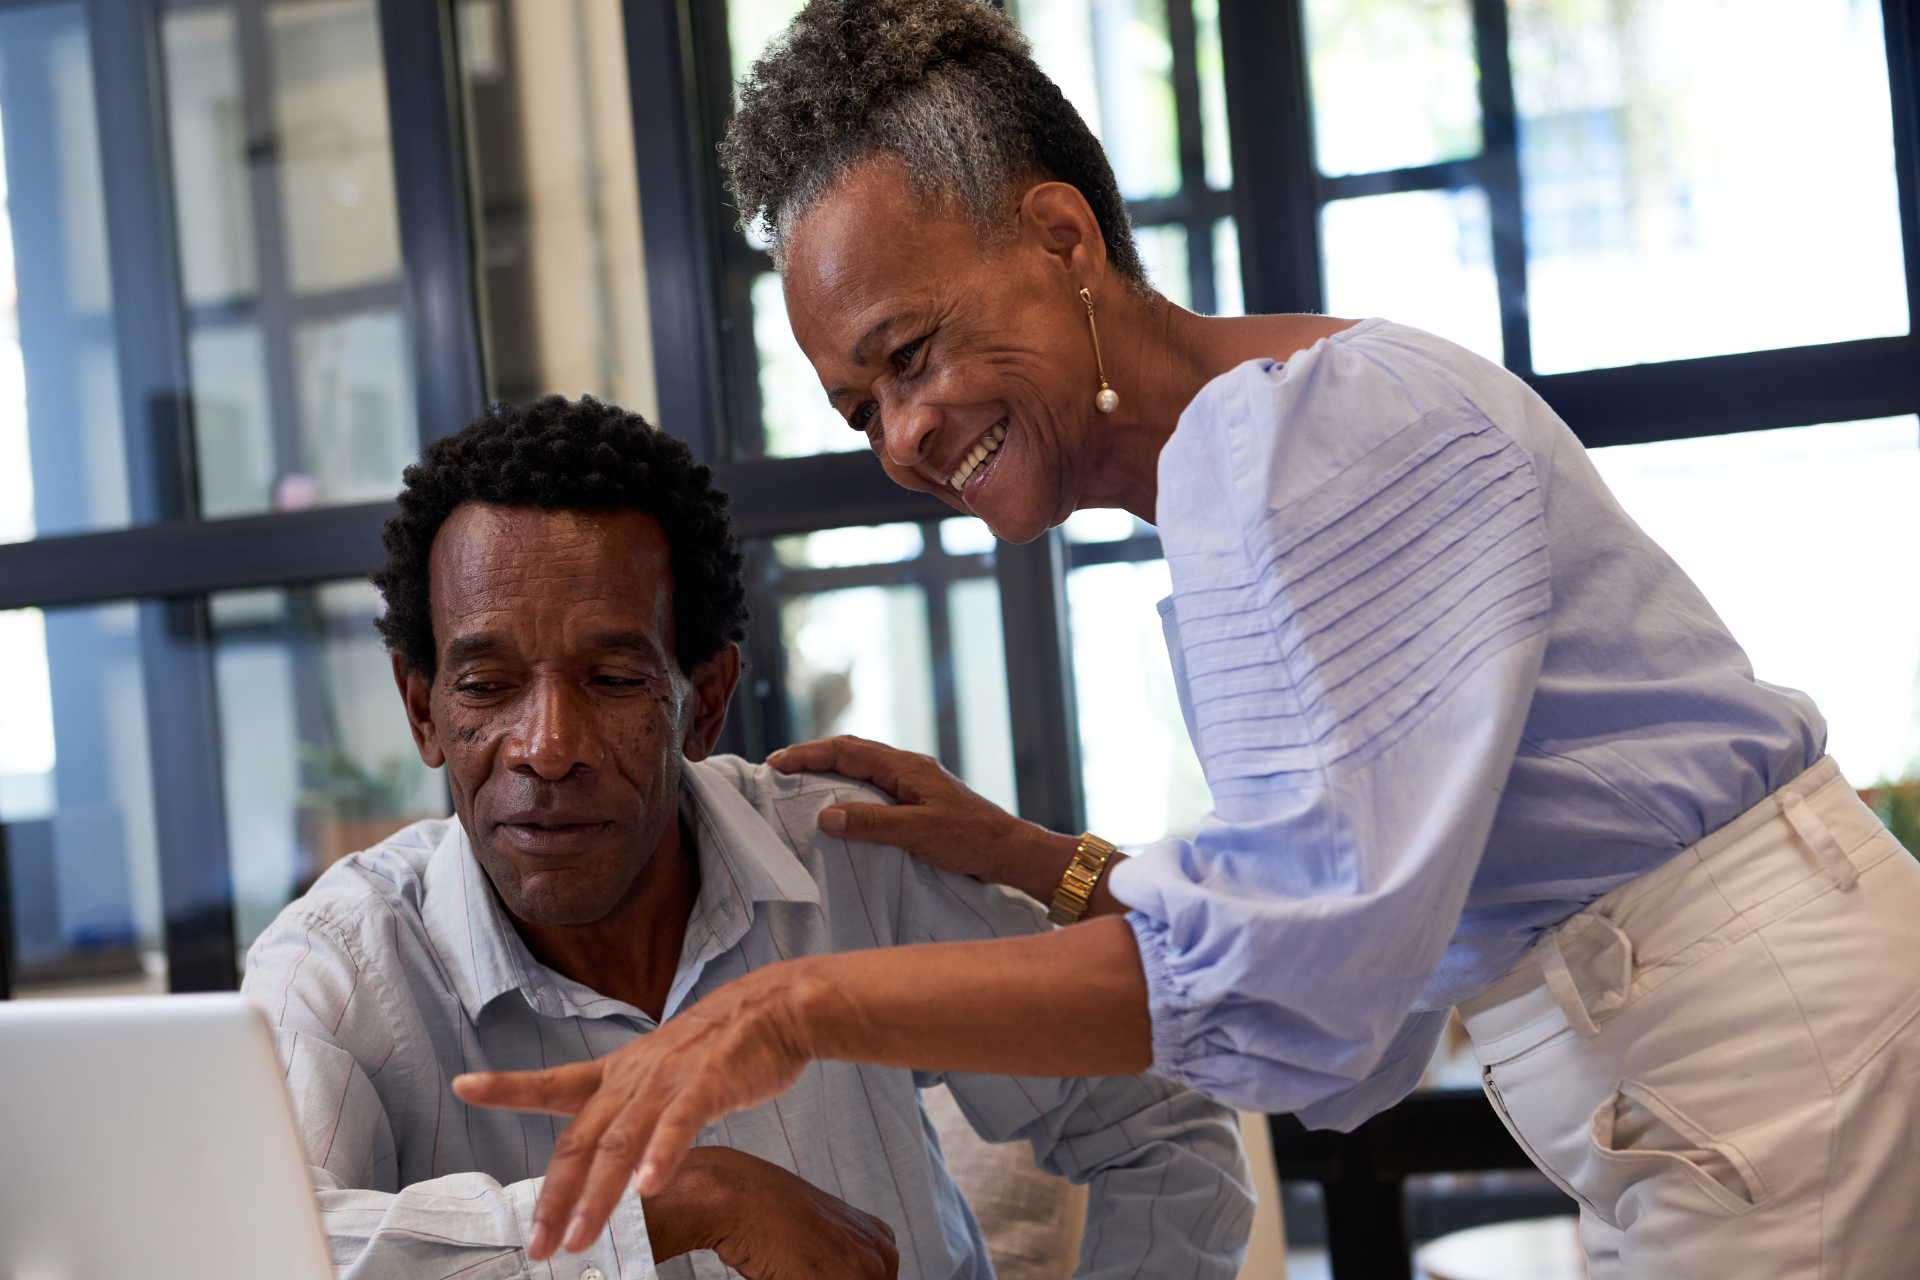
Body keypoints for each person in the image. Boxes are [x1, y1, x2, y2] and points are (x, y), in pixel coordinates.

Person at [450, 3, 1920, 1276]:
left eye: (912, 355)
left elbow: (1309, 976)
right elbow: (1353, 930)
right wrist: (1039, 863)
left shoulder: (1319, 435)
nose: (904, 434)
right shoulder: (1241, 467)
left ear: (1061, 236)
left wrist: (801, 1005)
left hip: (1768, 1068)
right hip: (1703, 1082)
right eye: (860, 408)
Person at [241, 397, 1254, 1280]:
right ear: (422, 710)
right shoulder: (345, 958)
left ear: (705, 701)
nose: (546, 747)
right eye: (486, 684)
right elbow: (239, 1247)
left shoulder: (850, 860)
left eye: (614, 678)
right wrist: (674, 1205)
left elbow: (1159, 1121)